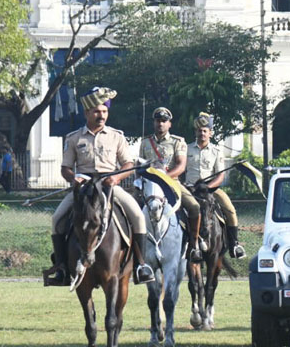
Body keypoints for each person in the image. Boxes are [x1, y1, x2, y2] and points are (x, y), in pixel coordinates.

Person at [45, 86, 154, 286]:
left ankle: (141, 265)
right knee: (57, 219)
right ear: (87, 113)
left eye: (104, 111)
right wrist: (74, 178)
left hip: (109, 185)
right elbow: (65, 168)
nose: (101, 115)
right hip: (84, 188)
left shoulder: (116, 136)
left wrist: (117, 178)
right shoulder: (74, 138)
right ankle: (61, 267)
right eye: (96, 111)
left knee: (138, 216)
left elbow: (128, 164)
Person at [139, 106, 204, 261]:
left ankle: (194, 244)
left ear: (169, 124)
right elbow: (140, 166)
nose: (160, 124)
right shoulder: (145, 142)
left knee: (194, 207)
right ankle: (133, 249)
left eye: (163, 121)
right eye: (157, 121)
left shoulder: (178, 142)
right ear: (153, 122)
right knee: (131, 208)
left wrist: (165, 178)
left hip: (172, 184)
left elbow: (181, 166)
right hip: (149, 185)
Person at [185, 112, 245, 259]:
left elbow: (220, 175)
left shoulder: (216, 151)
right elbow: (181, 169)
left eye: (205, 131)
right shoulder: (186, 149)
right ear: (195, 132)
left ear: (210, 133)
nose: (202, 133)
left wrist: (208, 187)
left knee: (230, 209)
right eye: (199, 130)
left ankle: (234, 244)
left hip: (210, 189)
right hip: (190, 189)